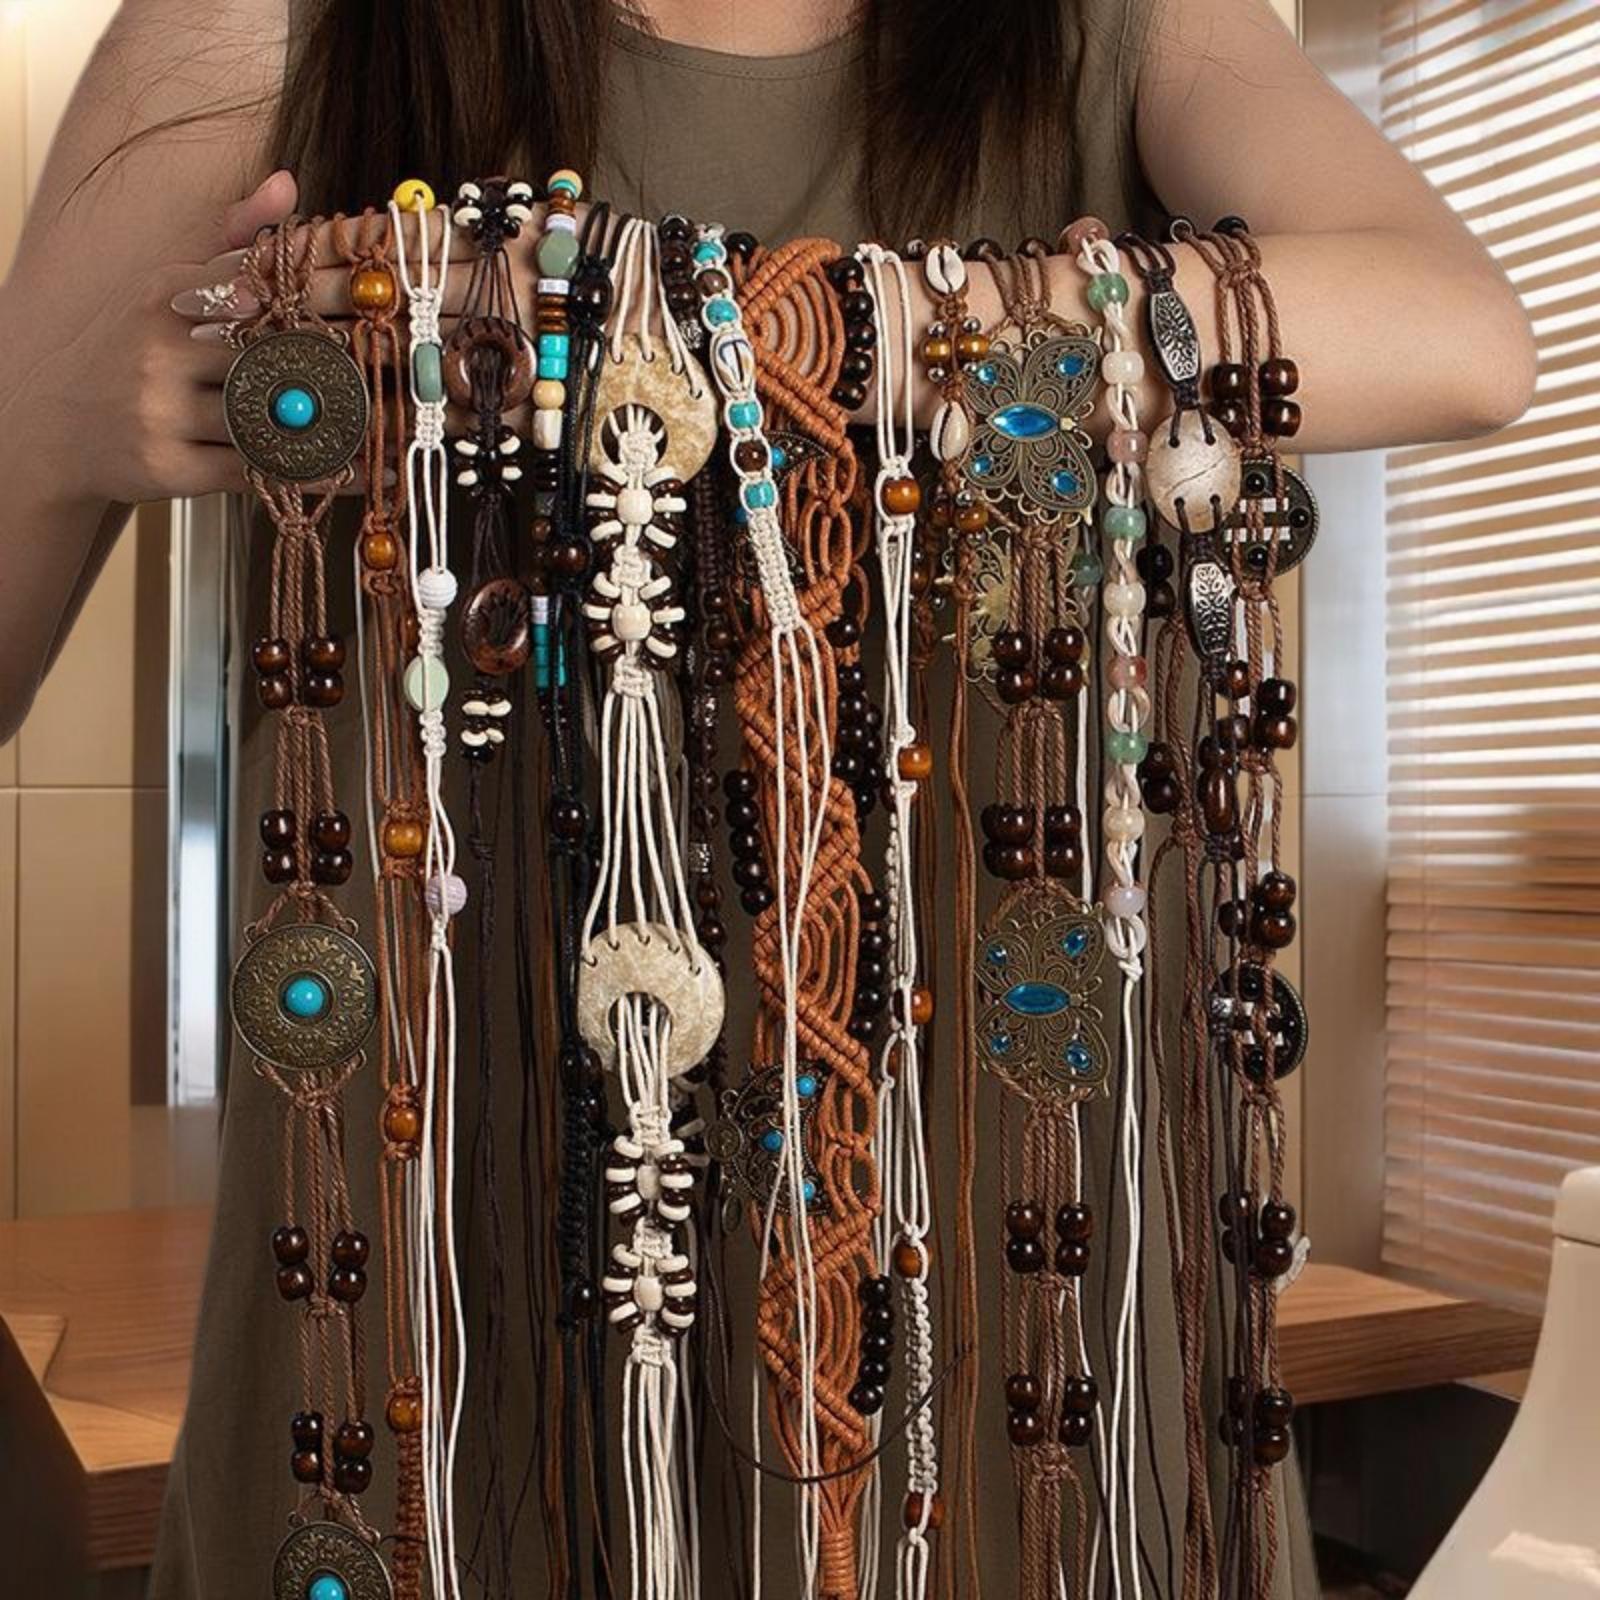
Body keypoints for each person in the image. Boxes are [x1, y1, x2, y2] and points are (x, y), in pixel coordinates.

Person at [0, 3, 1534, 1597]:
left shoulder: (1117, 32)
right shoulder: (264, 24)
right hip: (453, 1307)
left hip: (1013, 1310)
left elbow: (1465, 336)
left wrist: (712, 323)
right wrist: (49, 422)